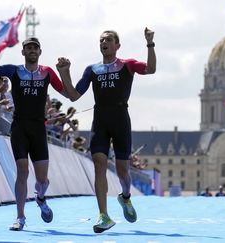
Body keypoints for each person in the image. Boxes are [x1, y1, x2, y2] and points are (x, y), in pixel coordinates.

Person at [56, 27, 156, 233]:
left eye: (109, 39)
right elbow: (74, 96)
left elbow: (151, 69)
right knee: (99, 164)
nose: (104, 42)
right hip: (100, 120)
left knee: (122, 171)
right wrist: (64, 72)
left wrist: (149, 43)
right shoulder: (92, 69)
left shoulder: (127, 65)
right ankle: (104, 215)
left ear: (117, 46)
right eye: (102, 40)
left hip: (120, 120)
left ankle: (125, 197)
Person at [0, 28, 75, 231]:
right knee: (22, 170)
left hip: (39, 130)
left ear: (40, 52)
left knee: (42, 179)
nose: (31, 50)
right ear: (23, 52)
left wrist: (65, 72)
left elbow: (69, 94)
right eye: (28, 48)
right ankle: (20, 217)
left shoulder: (47, 72)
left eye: (35, 48)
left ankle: (40, 198)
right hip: (20, 127)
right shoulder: (14, 71)